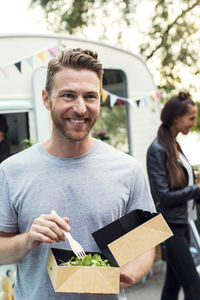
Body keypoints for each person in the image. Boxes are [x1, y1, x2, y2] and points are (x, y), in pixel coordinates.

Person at [0, 48, 155, 300]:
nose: (81, 108)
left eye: (90, 96)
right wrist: (28, 239)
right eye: (68, 95)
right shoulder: (12, 170)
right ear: (46, 99)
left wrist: (123, 277)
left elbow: (144, 243)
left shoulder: (126, 169)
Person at [146, 91, 200, 300]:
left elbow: (182, 187)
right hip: (169, 227)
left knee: (172, 283)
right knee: (194, 286)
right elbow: (164, 196)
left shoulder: (175, 146)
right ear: (176, 118)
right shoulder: (157, 150)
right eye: (191, 118)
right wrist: (196, 190)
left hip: (182, 224)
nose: (193, 123)